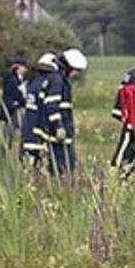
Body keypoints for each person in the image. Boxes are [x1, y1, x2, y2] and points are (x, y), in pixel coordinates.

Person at [45, 48, 87, 176]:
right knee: (62, 166)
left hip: (65, 132)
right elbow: (52, 105)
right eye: (76, 71)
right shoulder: (57, 81)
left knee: (69, 165)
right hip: (58, 133)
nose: (75, 74)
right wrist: (58, 126)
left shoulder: (62, 80)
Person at [21, 52, 57, 172]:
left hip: (28, 126)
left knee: (29, 160)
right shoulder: (45, 85)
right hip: (39, 127)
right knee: (38, 163)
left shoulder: (33, 84)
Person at [0, 56, 29, 150]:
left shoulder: (19, 80)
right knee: (9, 134)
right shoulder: (12, 80)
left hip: (17, 108)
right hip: (12, 110)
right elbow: (10, 95)